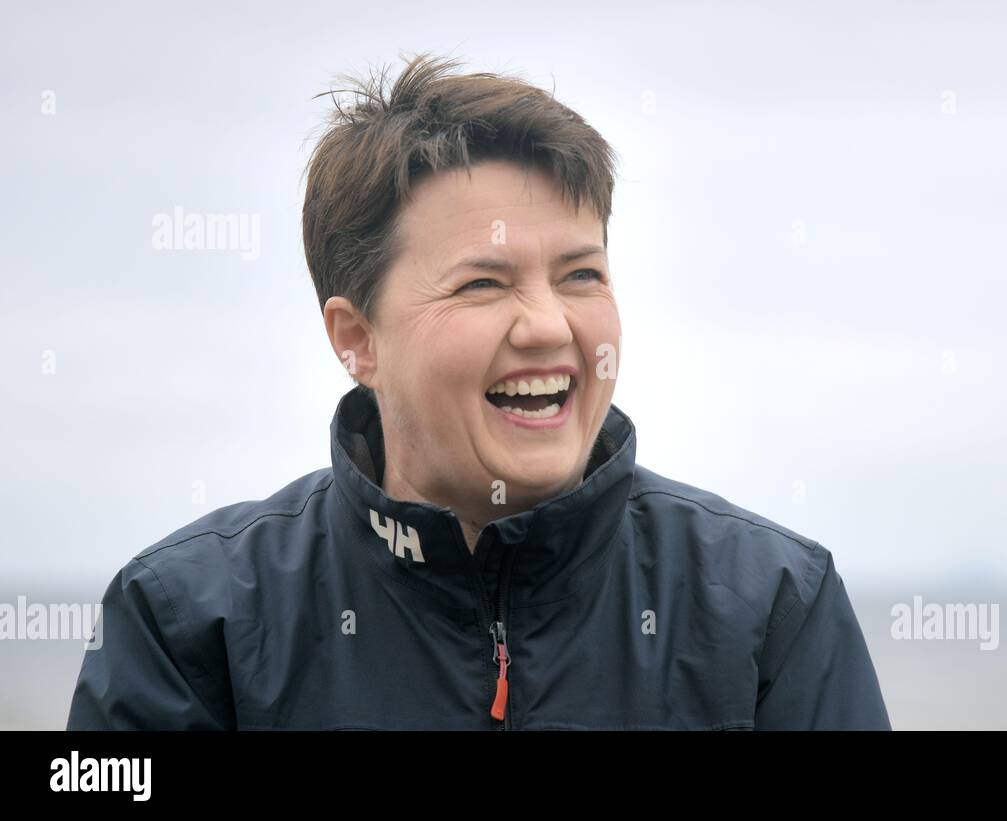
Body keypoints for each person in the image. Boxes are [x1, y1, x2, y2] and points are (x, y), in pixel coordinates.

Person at [66, 53, 891, 730]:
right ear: (357, 338)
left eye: (580, 274)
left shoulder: (774, 604)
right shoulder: (183, 622)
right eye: (483, 284)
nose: (546, 325)